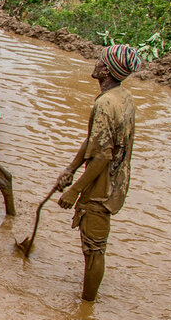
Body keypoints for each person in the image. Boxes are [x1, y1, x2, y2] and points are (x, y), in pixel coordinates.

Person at [55, 44, 143, 302]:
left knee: (94, 249)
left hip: (101, 188)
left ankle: (86, 308)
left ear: (105, 70)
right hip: (116, 180)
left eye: (100, 61)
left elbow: (102, 155)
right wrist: (70, 168)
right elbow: (94, 140)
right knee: (93, 246)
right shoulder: (122, 97)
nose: (95, 63)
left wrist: (74, 190)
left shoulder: (105, 104)